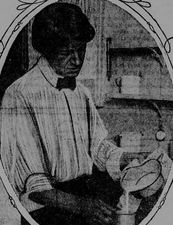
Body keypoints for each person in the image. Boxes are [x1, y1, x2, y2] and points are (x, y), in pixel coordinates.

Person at [0, 3, 161, 225]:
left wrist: (125, 159)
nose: (77, 60)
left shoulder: (82, 92)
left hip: (84, 194)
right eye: (67, 53)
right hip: (48, 209)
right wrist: (81, 206)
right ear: (47, 49)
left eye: (81, 50)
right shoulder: (19, 94)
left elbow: (97, 147)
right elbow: (33, 184)